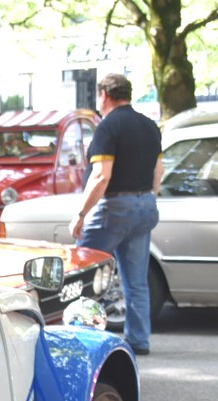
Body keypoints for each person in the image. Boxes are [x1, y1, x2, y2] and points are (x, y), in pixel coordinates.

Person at [71, 73, 163, 356]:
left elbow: (101, 176)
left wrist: (81, 213)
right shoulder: (150, 126)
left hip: (115, 207)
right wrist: (147, 197)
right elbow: (158, 171)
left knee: (82, 271)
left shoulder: (108, 127)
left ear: (105, 95)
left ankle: (79, 336)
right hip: (145, 205)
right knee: (136, 281)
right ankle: (139, 340)